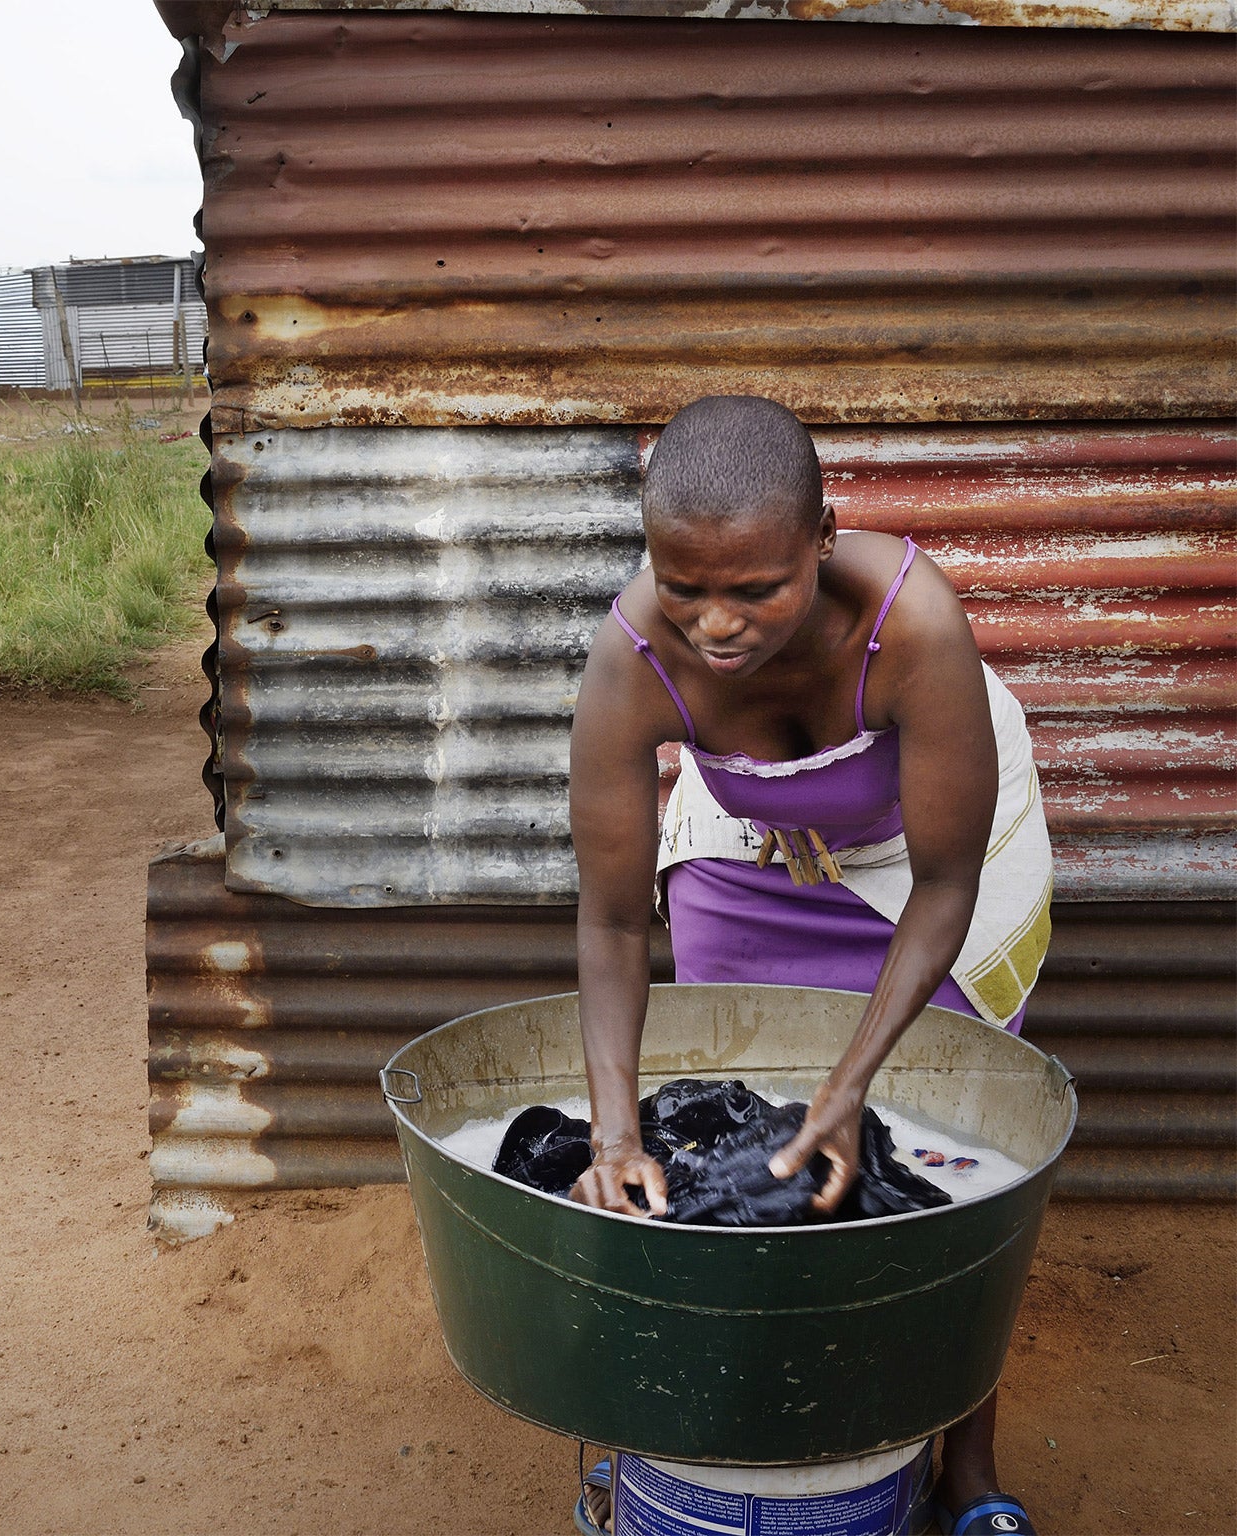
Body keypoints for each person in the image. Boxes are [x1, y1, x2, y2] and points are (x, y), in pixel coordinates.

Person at [566, 396, 1053, 1536]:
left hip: (930, 853)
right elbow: (608, 924)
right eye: (682, 587)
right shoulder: (630, 658)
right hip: (755, 837)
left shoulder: (910, 623)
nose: (715, 626)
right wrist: (612, 1138)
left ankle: (963, 1461)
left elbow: (944, 887)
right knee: (742, 1126)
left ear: (820, 539)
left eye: (753, 590)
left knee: (948, 1143)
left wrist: (848, 1092)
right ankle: (762, 1418)